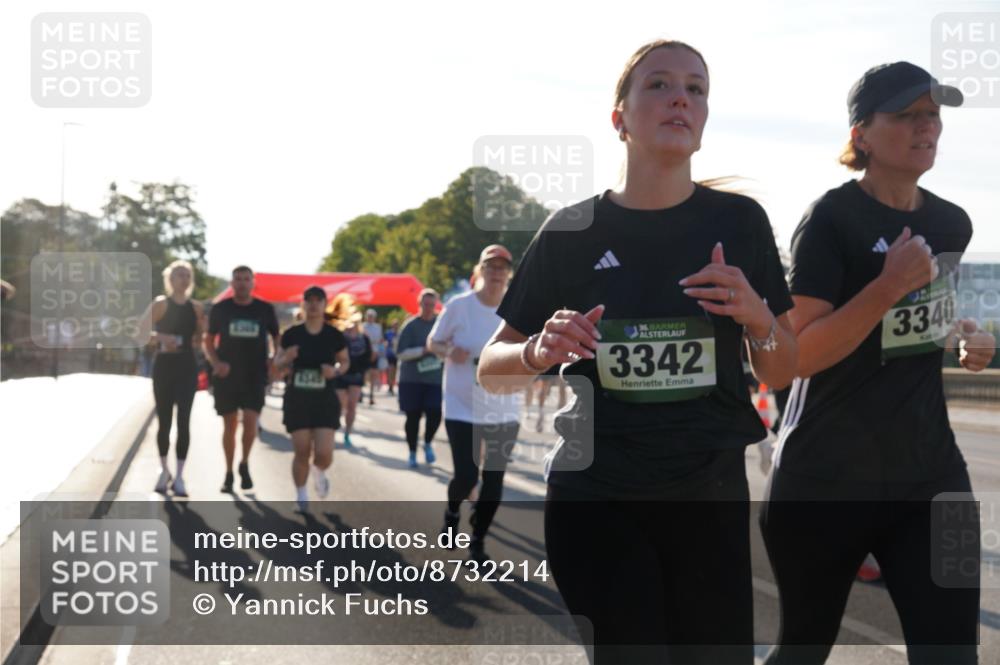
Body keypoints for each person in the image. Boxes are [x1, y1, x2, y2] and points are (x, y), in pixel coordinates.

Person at [477, 40, 798, 663]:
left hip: (707, 496)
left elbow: (784, 367)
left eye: (696, 88)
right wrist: (539, 350)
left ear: (704, 117)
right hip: (598, 496)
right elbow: (492, 369)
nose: (681, 97)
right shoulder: (571, 232)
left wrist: (756, 314)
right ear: (618, 118)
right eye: (659, 84)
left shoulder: (740, 223)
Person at [760, 61, 994, 665]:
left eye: (932, 115)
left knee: (952, 655)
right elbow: (797, 357)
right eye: (907, 115)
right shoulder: (831, 220)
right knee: (803, 651)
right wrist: (886, 287)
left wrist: (964, 337)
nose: (926, 127)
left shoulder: (951, 223)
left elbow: (922, 322)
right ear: (861, 134)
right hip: (826, 479)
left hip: (930, 475)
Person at [429, 245, 524, 563]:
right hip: (462, 406)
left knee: (494, 481)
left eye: (502, 267)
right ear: (480, 270)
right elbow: (433, 342)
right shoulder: (459, 306)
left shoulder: (518, 306)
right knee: (467, 477)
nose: (496, 272)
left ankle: (478, 541)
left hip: (504, 407)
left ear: (509, 273)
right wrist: (448, 351)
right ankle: (453, 511)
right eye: (490, 266)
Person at [272, 286, 349, 512]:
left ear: (324, 305)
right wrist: (287, 357)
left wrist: (335, 371)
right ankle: (301, 495)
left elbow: (345, 361)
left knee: (324, 454)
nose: (313, 304)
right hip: (298, 399)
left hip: (324, 400)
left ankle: (318, 470)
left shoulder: (334, 335)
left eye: (318, 300)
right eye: (309, 300)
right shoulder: (291, 334)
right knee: (302, 451)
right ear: (303, 304)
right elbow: (277, 363)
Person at [203, 266, 280, 493]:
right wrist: (216, 363)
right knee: (229, 425)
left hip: (255, 374)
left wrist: (273, 361)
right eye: (238, 279)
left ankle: (244, 463)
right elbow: (208, 340)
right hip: (227, 376)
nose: (242, 283)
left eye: (246, 279)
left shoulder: (264, 309)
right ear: (232, 283)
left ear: (253, 283)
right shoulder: (221, 308)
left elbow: (277, 338)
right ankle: (228, 473)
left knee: (250, 422)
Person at [137, 260, 204, 496]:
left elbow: (199, 339)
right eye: (179, 275)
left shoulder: (196, 308)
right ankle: (164, 470)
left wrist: (193, 342)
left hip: (187, 367)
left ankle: (180, 476)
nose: (184, 279)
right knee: (164, 421)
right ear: (170, 279)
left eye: (187, 275)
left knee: (184, 421)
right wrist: (162, 338)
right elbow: (140, 333)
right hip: (164, 367)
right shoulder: (160, 304)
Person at [395, 289, 443, 468]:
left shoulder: (441, 324)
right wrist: (423, 350)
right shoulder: (410, 325)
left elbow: (449, 346)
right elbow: (400, 353)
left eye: (432, 305)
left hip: (435, 379)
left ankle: (428, 442)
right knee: (413, 417)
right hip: (411, 379)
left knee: (435, 414)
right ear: (419, 304)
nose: (429, 308)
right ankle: (412, 452)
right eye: (426, 304)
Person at [328, 294, 374, 448]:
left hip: (356, 375)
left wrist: (364, 371)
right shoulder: (340, 336)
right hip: (341, 374)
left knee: (352, 406)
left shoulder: (364, 338)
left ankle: (348, 432)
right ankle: (334, 428)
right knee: (340, 405)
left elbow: (368, 356)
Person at [364, 309, 385, 405]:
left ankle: (371, 395)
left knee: (373, 373)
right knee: (364, 373)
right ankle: (361, 392)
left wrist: (377, 351)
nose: (370, 318)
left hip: (375, 353)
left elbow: (380, 340)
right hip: (364, 353)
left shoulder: (378, 327)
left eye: (372, 316)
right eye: (369, 316)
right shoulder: (363, 326)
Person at [384, 321, 399, 395]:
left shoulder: (400, 333)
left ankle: (392, 384)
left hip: (397, 354)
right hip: (390, 354)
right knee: (390, 370)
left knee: (395, 371)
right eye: (394, 325)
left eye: (396, 325)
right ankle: (390, 386)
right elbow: (385, 342)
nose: (395, 326)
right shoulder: (388, 333)